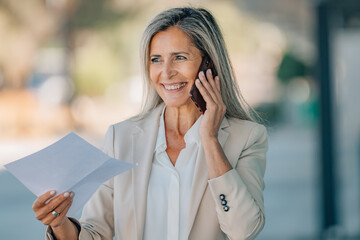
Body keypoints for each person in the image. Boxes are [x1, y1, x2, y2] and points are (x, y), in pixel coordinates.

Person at [32, 7, 268, 240]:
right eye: (156, 59)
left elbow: (243, 231)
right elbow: (96, 232)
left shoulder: (247, 138)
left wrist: (210, 140)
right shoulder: (121, 138)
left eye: (180, 57)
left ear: (209, 64)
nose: (166, 72)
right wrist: (60, 224)